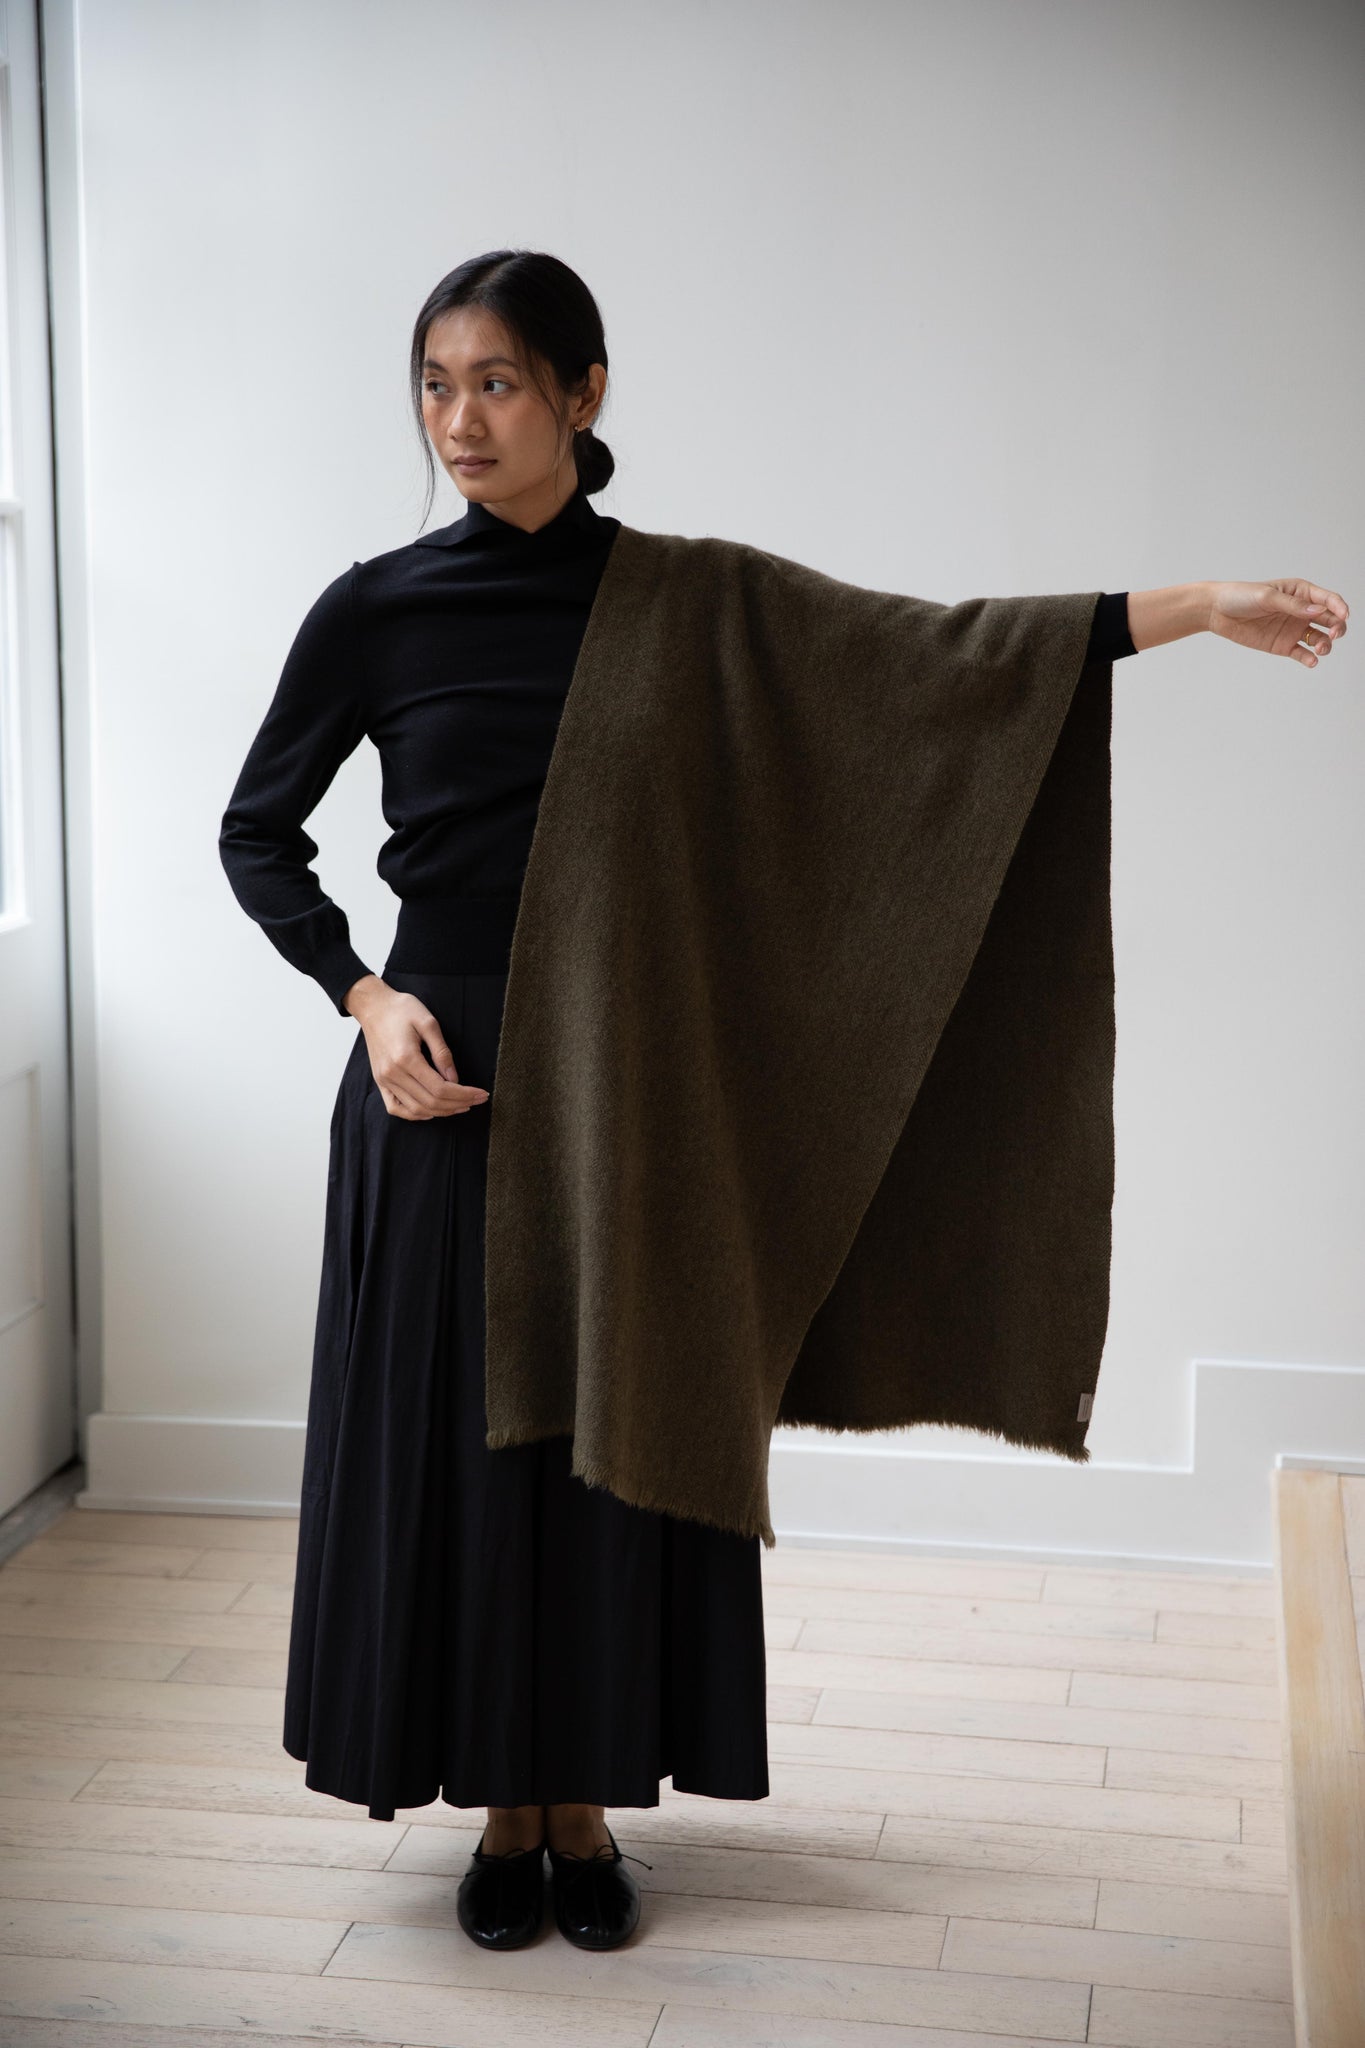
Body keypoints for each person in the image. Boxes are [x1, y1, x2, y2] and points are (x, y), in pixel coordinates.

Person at [219, 248, 1348, 1954]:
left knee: (611, 1456)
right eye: (436, 385)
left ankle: (582, 1811)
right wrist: (365, 1000)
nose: (460, 419)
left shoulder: (692, 604)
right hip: (444, 1094)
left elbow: (937, 664)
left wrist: (1184, 606)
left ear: (585, 394)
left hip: (637, 1098)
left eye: (499, 382)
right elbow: (257, 832)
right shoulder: (374, 611)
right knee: (471, 1463)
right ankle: (498, 1811)